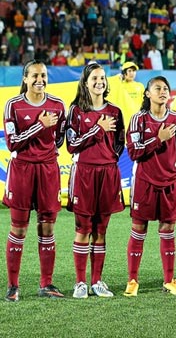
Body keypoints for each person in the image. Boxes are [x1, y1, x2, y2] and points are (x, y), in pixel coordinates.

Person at [3, 60, 67, 302]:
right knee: (19, 228)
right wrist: (40, 125)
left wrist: (44, 143)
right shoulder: (13, 105)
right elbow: (12, 143)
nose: (40, 80)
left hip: (48, 170)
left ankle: (46, 283)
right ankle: (12, 286)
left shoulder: (58, 105)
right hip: (22, 171)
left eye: (43, 75)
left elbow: (59, 139)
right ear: (25, 79)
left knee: (47, 227)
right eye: (35, 76)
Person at [66, 63, 125, 299]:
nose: (100, 82)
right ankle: (80, 283)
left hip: (107, 173)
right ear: (85, 82)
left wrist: (110, 157)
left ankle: (97, 281)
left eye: (102, 78)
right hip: (84, 173)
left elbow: (120, 142)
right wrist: (96, 129)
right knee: (83, 229)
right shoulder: (76, 111)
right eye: (94, 78)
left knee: (101, 230)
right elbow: (71, 145)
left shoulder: (115, 112)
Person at [124, 76, 176, 296]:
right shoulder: (138, 120)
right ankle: (132, 280)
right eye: (157, 88)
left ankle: (169, 280)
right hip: (144, 181)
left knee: (168, 229)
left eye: (165, 88)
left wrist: (166, 162)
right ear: (148, 94)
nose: (163, 91)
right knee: (139, 229)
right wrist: (157, 139)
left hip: (169, 181)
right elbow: (133, 152)